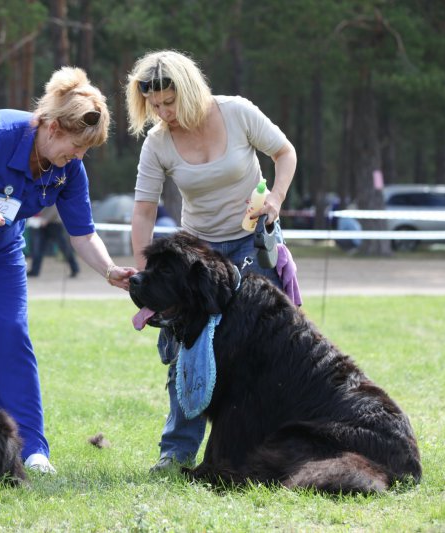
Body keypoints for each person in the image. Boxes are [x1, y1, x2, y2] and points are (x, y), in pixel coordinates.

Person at [0, 67, 136, 474]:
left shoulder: (69, 170)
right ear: (51, 127)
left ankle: (30, 450)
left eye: (86, 150)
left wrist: (108, 271)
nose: (79, 157)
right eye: (76, 146)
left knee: (11, 335)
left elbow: (83, 233)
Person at [125, 50, 298, 472]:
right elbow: (144, 210)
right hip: (196, 257)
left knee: (258, 352)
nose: (163, 113)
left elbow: (285, 153)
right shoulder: (157, 142)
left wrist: (274, 199)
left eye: (170, 103)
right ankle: (176, 453)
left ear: (189, 91)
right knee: (189, 353)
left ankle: (258, 448)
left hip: (250, 245)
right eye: (155, 106)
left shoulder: (237, 112)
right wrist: (145, 275)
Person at [27, 204, 80, 277]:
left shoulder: (52, 194)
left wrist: (46, 219)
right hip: (42, 224)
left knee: (64, 248)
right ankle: (34, 270)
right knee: (38, 248)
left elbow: (55, 208)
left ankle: (75, 268)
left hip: (55, 225)